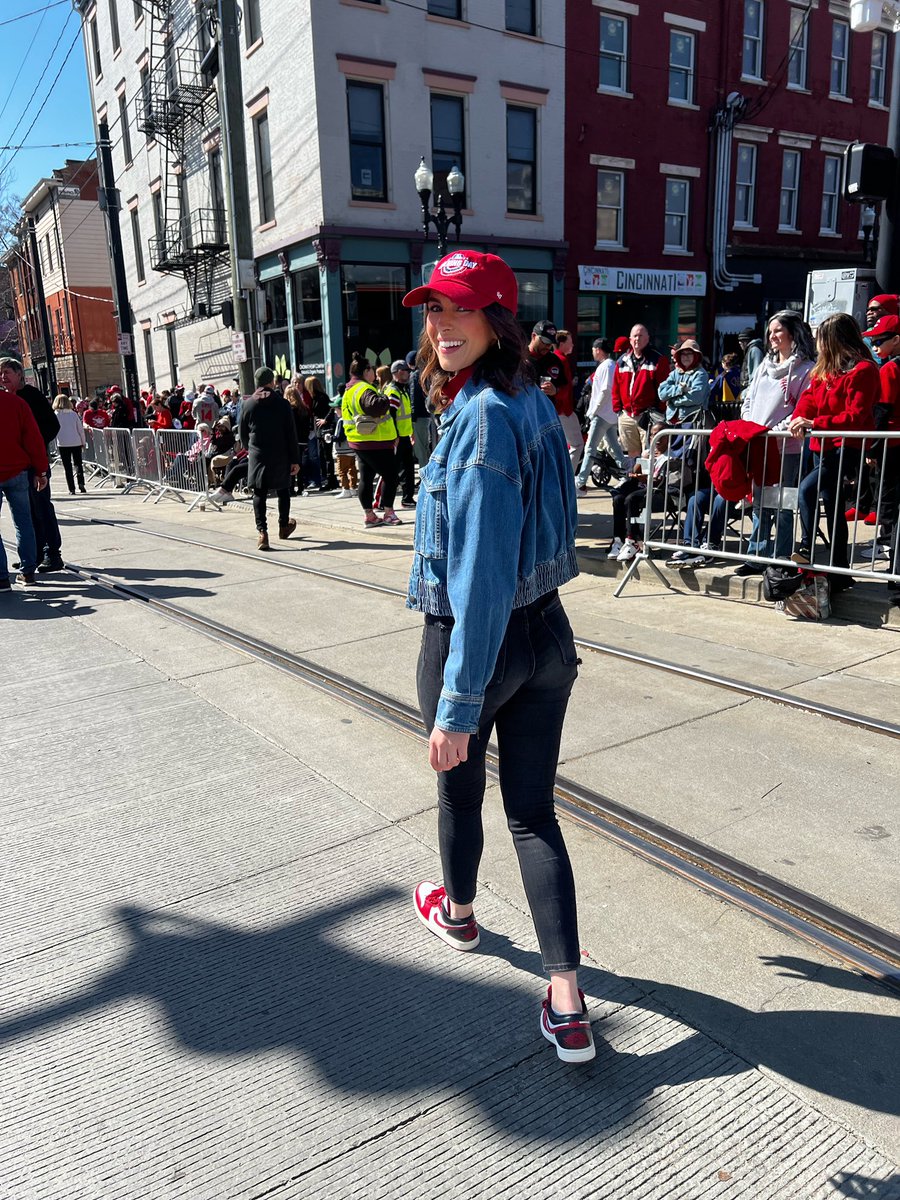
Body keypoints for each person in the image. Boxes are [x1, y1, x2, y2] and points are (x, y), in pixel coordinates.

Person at [401, 249, 594, 1064]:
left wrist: (455, 706)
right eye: (433, 310)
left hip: (479, 638)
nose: (441, 326)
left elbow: (480, 577)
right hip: (547, 631)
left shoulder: (480, 417)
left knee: (461, 793)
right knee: (533, 813)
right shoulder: (533, 401)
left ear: (497, 319)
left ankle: (460, 914)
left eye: (460, 310)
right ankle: (569, 1004)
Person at [790, 313, 880, 589]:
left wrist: (815, 423)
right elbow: (807, 401)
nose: (817, 344)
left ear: (834, 340)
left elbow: (856, 415)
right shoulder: (824, 370)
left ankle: (806, 547)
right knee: (833, 506)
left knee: (807, 489)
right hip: (822, 446)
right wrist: (799, 419)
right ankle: (840, 571)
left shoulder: (863, 370)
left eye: (821, 339)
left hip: (846, 447)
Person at [0, 358, 63, 574]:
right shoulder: (10, 399)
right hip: (20, 466)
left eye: (7, 372)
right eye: (1, 373)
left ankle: (52, 553)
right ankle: (32, 556)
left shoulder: (31, 396)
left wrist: (35, 453)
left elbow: (51, 426)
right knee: (27, 515)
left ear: (19, 374)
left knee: (41, 507)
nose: (3, 377)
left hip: (34, 464)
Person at [858, 312, 900, 583]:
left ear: (896, 340)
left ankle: (892, 556)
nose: (874, 347)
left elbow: (882, 411)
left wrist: (872, 449)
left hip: (892, 445)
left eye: (879, 341)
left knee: (889, 503)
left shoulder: (890, 369)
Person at [239, 366, 300, 550]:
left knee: (259, 492)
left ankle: (262, 533)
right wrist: (295, 459)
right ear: (271, 382)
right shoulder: (282, 403)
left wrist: (249, 448)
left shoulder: (248, 404)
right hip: (280, 452)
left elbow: (242, 433)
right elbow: (291, 433)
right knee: (283, 490)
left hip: (258, 453)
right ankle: (283, 525)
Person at [341, 354, 402, 527]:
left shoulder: (350, 389)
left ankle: (370, 515)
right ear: (366, 371)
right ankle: (389, 513)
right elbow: (377, 407)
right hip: (376, 441)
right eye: (372, 369)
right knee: (390, 476)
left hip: (359, 440)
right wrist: (385, 398)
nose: (374, 373)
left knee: (366, 478)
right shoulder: (364, 389)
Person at [0, 385, 49, 588]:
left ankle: (2, 578)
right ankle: (28, 571)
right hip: (18, 470)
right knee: (24, 521)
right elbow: (33, 438)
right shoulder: (17, 403)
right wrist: (41, 470)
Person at [574, 337, 625, 494]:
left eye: (593, 350)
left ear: (598, 350)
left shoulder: (607, 366)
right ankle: (626, 475)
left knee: (590, 448)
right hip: (608, 415)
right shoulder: (609, 365)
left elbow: (605, 390)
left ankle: (580, 481)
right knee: (614, 448)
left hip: (602, 415)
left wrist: (594, 410)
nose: (592, 353)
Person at [611, 324, 670, 458]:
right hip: (626, 415)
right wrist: (618, 411)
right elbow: (615, 387)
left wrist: (658, 411)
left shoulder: (658, 360)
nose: (637, 339)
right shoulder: (622, 361)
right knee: (632, 453)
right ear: (630, 339)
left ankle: (647, 479)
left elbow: (663, 388)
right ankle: (634, 478)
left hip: (648, 416)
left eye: (641, 335)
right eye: (635, 336)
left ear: (647, 338)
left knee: (649, 453)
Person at [384, 359, 417, 508]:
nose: (409, 373)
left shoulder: (402, 389)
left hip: (404, 436)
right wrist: (395, 434)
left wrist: (410, 432)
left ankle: (407, 498)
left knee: (408, 469)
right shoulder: (393, 391)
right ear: (398, 373)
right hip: (397, 438)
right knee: (392, 471)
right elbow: (391, 414)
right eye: (406, 371)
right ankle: (383, 502)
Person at [552, 329, 582, 471]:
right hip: (564, 410)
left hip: (558, 410)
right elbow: (564, 387)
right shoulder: (562, 360)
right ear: (562, 343)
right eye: (570, 342)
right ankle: (568, 479)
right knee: (577, 445)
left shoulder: (554, 358)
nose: (573, 345)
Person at [305, 375, 338, 491]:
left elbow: (331, 408)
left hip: (325, 430)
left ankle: (330, 480)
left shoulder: (321, 397)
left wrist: (325, 420)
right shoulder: (315, 397)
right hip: (320, 430)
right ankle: (330, 479)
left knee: (327, 456)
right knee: (324, 456)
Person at [285, 378, 314, 495]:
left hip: (291, 440)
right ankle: (301, 486)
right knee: (300, 463)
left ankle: (291, 488)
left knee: (290, 463)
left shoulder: (288, 410)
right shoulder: (304, 409)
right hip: (302, 440)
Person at [408, 349, 436, 469]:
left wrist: (412, 418)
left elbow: (413, 397)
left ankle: (425, 474)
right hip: (427, 415)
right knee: (426, 446)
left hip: (419, 416)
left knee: (420, 448)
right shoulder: (426, 374)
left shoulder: (414, 375)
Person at [53, 394, 87, 494]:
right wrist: (83, 442)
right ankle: (81, 484)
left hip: (63, 443)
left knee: (67, 467)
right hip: (75, 441)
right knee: (78, 464)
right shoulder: (73, 414)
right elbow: (80, 429)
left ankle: (71, 488)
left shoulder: (56, 415)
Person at [330, 387, 358, 497]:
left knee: (342, 471)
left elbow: (340, 437)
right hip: (351, 449)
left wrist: (331, 437)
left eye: (336, 409)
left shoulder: (341, 421)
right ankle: (353, 487)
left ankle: (345, 489)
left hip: (342, 451)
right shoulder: (351, 419)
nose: (335, 411)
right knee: (352, 469)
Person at [737, 327, 765, 395]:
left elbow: (756, 374)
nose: (739, 343)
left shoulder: (754, 350)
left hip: (751, 391)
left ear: (746, 341)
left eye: (741, 340)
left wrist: (749, 392)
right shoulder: (752, 349)